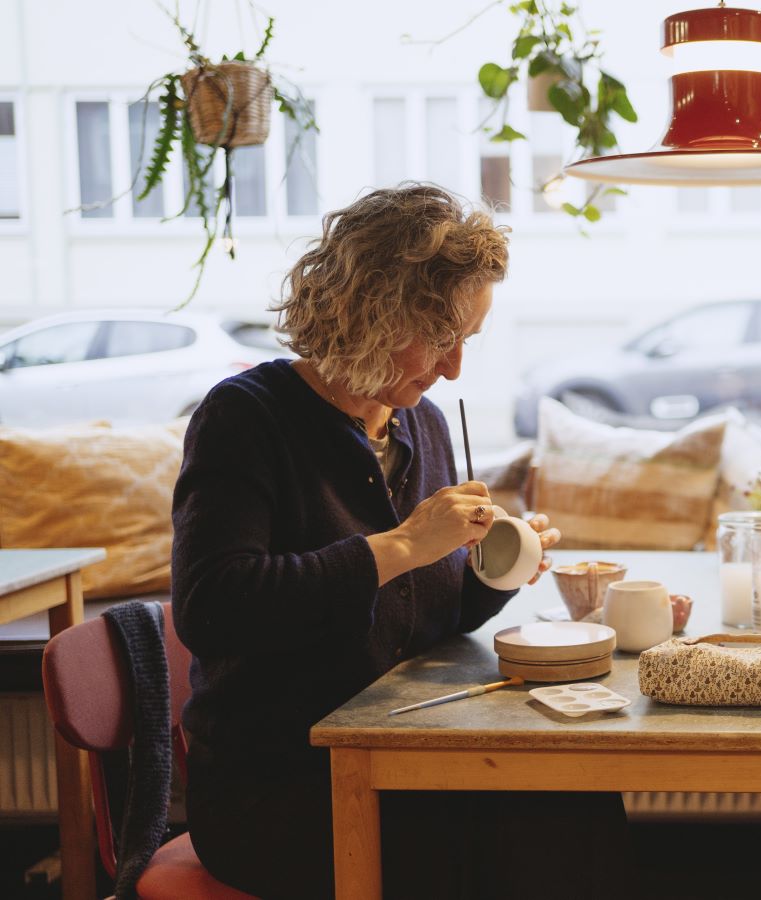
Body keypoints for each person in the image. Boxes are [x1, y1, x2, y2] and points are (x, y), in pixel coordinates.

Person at [171, 184, 628, 899]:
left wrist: (496, 568)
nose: (453, 368)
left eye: (466, 341)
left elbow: (422, 618)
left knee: (579, 797)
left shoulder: (423, 426)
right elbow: (213, 608)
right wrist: (404, 546)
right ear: (368, 312)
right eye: (441, 340)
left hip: (406, 756)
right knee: (521, 844)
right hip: (283, 786)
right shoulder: (245, 419)